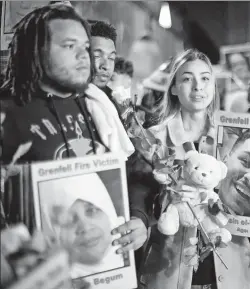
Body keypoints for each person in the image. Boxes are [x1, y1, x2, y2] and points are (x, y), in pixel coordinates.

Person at [0, 4, 147, 258]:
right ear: (36, 50)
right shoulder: (7, 112)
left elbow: (130, 170)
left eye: (86, 48)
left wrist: (139, 217)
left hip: (107, 265)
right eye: (70, 46)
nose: (84, 57)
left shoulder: (99, 106)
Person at [136, 49, 250, 289]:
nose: (198, 87)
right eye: (187, 79)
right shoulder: (153, 139)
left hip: (229, 265)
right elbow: (140, 203)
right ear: (173, 87)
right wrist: (168, 197)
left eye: (205, 78)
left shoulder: (233, 135)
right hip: (169, 268)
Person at [39, 173, 126, 278]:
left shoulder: (134, 246)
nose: (85, 227)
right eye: (68, 219)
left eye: (92, 210)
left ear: (109, 212)